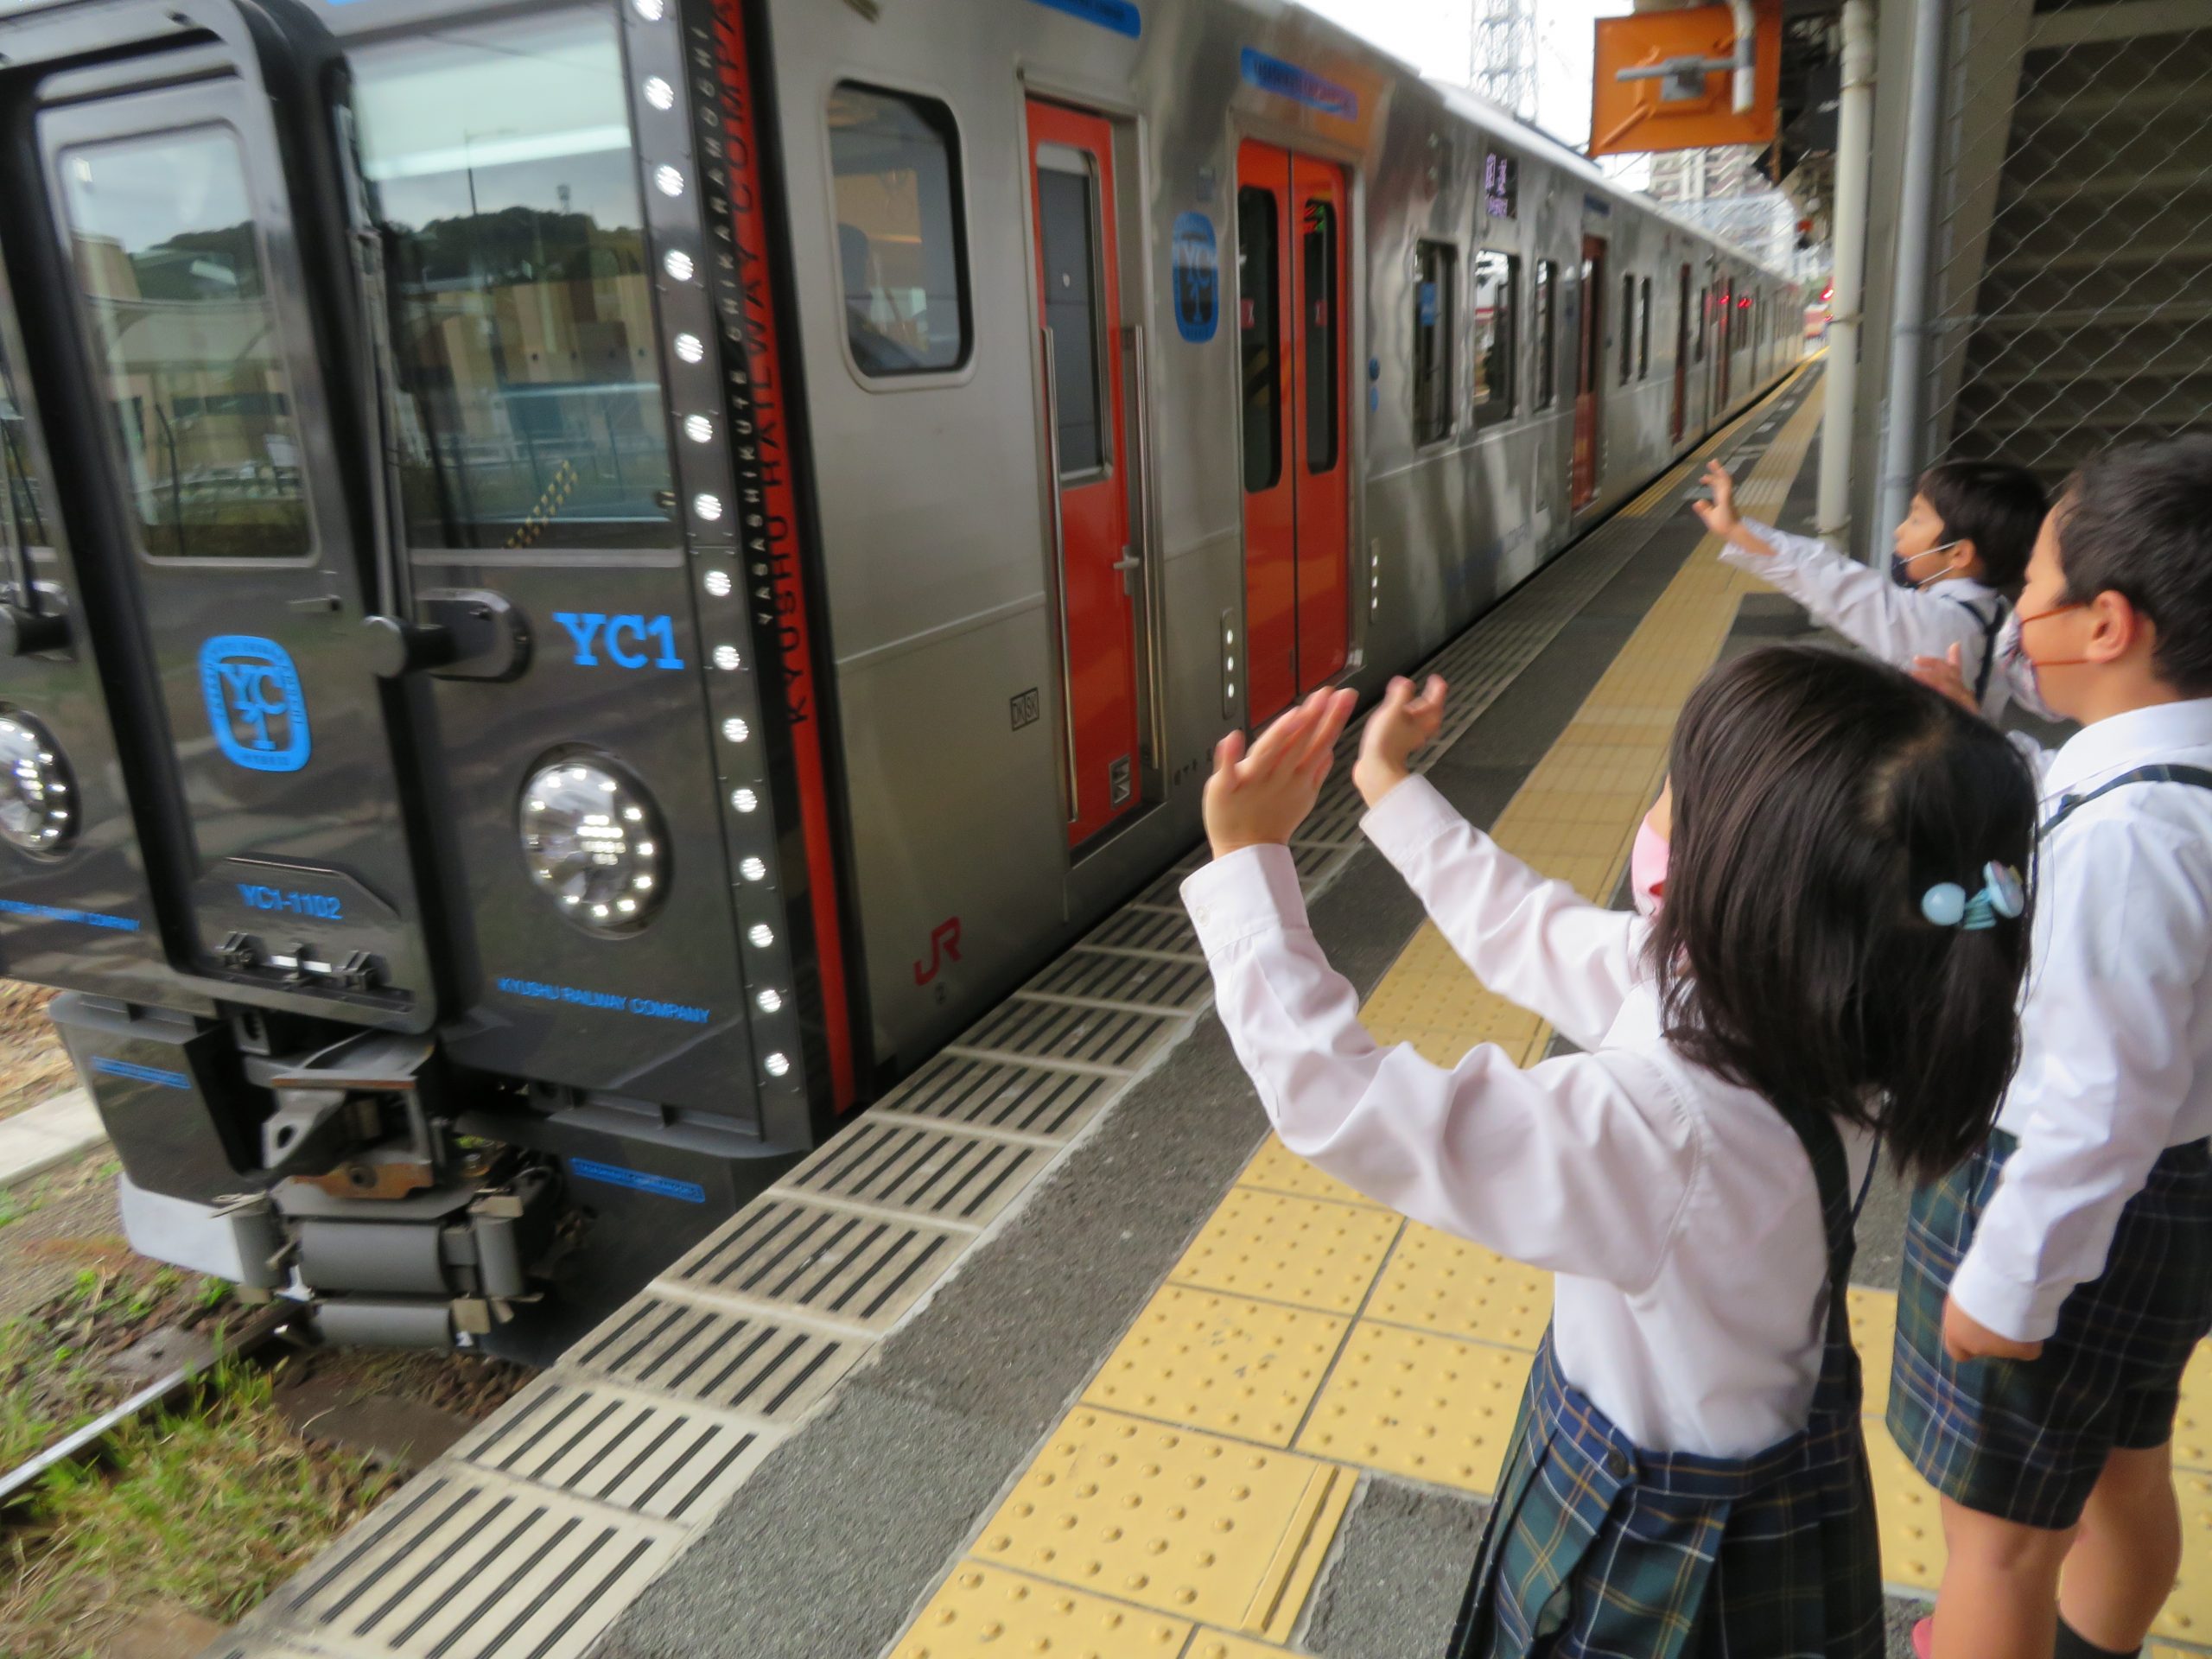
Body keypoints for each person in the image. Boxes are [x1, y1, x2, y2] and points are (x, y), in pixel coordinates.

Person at [1181, 646, 2038, 1658]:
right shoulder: (1833, 1009)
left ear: (1747, 879)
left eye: (1675, 793)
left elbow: (1346, 1100)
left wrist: (1246, 866)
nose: (1657, 814)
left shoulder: (1662, 1126)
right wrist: (1386, 783)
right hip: (1774, 1472)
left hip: (1662, 1536)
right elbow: (1522, 929)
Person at [1891, 435, 2212, 1659]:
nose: (2016, 614)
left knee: (2000, 1541)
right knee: (2129, 1466)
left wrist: (2009, 1278)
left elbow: (2095, 1098)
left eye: (2034, 588)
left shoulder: (2131, 839)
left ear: (2107, 625)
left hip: (2065, 1208)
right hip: (2175, 1193)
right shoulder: (2171, 771)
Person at [1694, 455, 2048, 720]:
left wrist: (1739, 531)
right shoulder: (1995, 612)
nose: (1900, 530)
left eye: (1917, 518)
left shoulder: (1937, 621)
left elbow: (1838, 585)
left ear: (1958, 553)